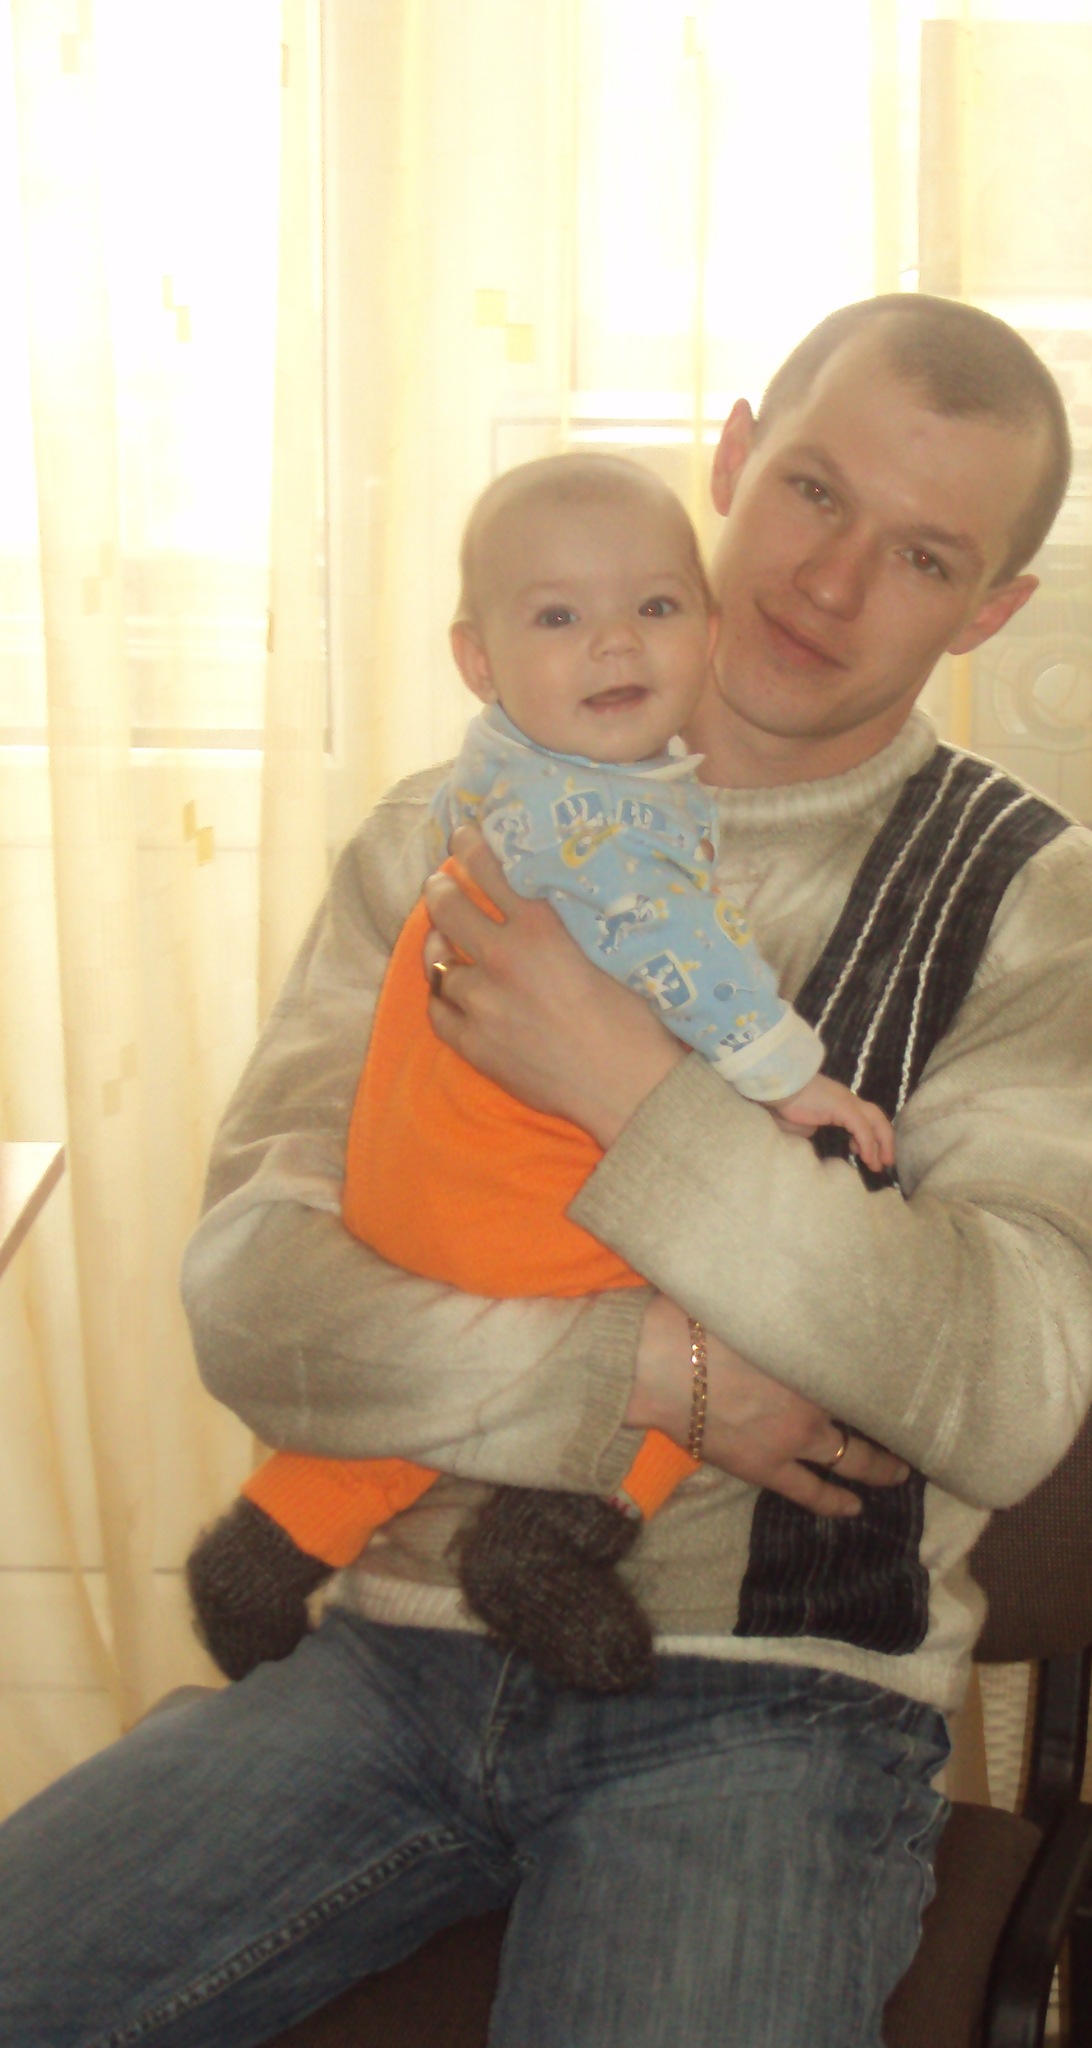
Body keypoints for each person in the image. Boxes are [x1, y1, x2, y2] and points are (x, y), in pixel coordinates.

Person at [0, 294, 1092, 2048]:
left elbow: (998, 1386)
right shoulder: (441, 839)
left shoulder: (1030, 898)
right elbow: (255, 1296)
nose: (831, 582)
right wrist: (653, 1373)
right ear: (734, 456)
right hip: (381, 1654)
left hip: (773, 1706)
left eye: (922, 556)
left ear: (989, 610)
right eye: (815, 491)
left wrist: (628, 1083)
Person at [186, 453, 894, 1695]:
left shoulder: (498, 773)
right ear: (479, 658)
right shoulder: (605, 822)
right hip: (522, 1196)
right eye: (560, 616)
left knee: (432, 1390)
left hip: (415, 1201)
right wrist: (791, 1078)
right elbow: (687, 962)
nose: (615, 643)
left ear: (708, 627)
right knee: (722, 1303)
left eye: (654, 607)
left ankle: (272, 1538)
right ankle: (550, 1536)